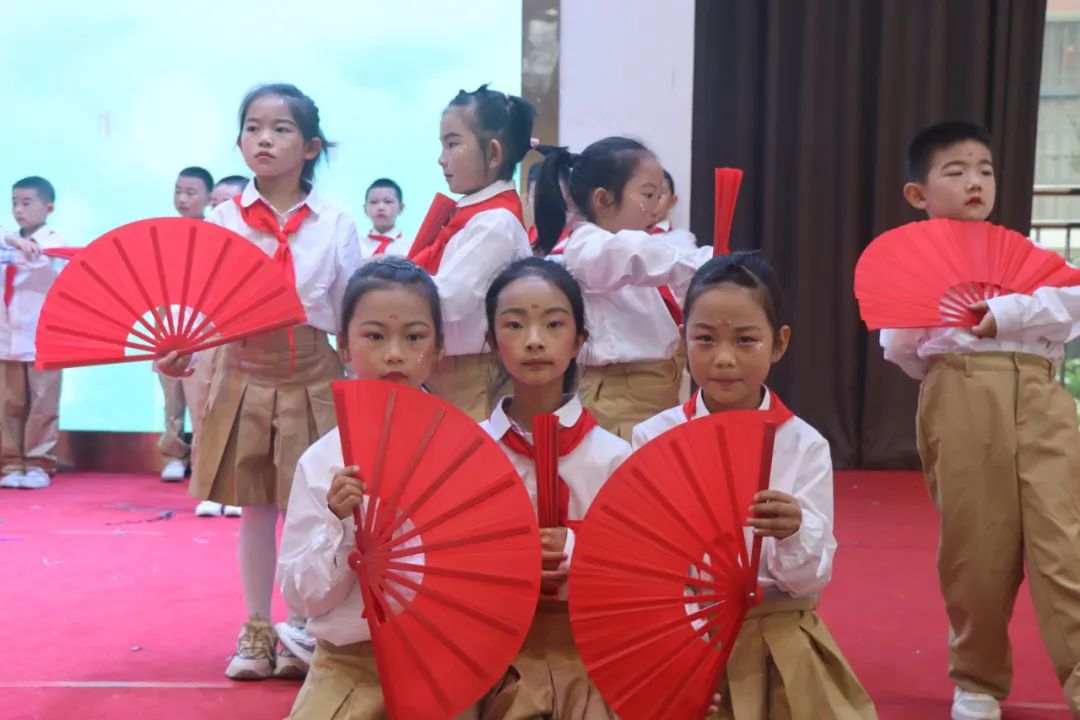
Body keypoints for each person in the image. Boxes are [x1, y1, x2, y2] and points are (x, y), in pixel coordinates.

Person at [157, 83, 362, 680]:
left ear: (311, 145)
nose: (264, 138)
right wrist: (178, 354)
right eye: (252, 127)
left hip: (315, 372)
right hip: (244, 371)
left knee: (315, 507)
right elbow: (199, 306)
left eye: (280, 128)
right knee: (254, 509)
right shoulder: (221, 219)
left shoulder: (336, 220)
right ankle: (255, 630)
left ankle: (304, 626)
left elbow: (351, 310)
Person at [881, 120, 1080, 719]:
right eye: (956, 170)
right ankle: (977, 680)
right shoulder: (909, 259)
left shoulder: (1030, 255)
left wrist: (1005, 313)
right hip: (961, 395)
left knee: (1064, 540)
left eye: (985, 170)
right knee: (976, 547)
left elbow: (1072, 304)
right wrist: (957, 379)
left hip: (1042, 396)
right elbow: (902, 344)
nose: (976, 181)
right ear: (918, 193)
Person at [634, 252, 876, 720]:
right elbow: (644, 566)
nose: (724, 359)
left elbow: (809, 579)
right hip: (685, 637)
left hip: (778, 633)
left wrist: (794, 530)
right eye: (705, 339)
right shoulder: (652, 438)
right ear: (683, 342)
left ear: (779, 343)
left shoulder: (803, 444)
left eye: (746, 340)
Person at [279, 257, 450, 719]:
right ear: (344, 347)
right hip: (348, 666)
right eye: (374, 336)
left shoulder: (465, 452)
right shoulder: (321, 462)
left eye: (415, 337)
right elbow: (302, 597)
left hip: (444, 665)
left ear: (439, 349)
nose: (394, 353)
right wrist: (339, 526)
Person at [478, 257, 627, 720]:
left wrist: (579, 550)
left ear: (580, 339)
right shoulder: (469, 453)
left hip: (591, 653)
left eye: (554, 323)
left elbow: (638, 570)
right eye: (515, 325)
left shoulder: (614, 458)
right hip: (486, 652)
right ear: (491, 340)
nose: (535, 340)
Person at [533, 138, 711, 440]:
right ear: (603, 199)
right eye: (648, 194)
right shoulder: (588, 245)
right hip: (620, 397)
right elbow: (635, 256)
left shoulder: (644, 244)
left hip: (657, 387)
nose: (657, 206)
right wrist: (705, 262)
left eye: (660, 195)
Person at [408, 84, 533, 420]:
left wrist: (387, 291)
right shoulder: (472, 216)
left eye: (453, 143)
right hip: (448, 374)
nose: (442, 158)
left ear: (493, 153)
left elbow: (448, 301)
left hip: (471, 379)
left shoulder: (495, 224)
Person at [0, 177, 67, 490]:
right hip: (7, 335)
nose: (18, 209)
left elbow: (38, 260)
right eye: (14, 202)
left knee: (43, 402)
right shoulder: (8, 239)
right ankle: (11, 462)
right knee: (9, 401)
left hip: (44, 335)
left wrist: (19, 248)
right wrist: (14, 243)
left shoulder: (55, 241)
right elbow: (11, 248)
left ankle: (39, 461)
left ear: (48, 207)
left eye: (27, 203)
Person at [360, 178, 407, 258]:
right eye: (374, 202)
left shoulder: (410, 247)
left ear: (401, 208)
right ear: (365, 209)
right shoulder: (356, 246)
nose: (381, 207)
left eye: (388, 201)